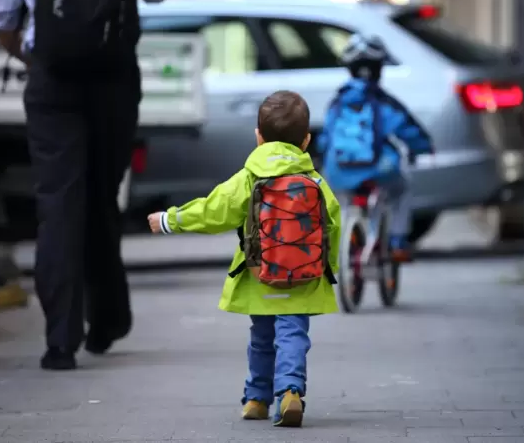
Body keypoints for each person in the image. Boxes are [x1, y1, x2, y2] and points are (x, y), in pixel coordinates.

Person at [0, 0, 171, 371]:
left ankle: (60, 341)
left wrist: (32, 58)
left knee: (59, 204)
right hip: (114, 82)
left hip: (53, 82)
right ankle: (106, 320)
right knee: (102, 198)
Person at [147, 91, 341, 428]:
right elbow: (332, 224)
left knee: (262, 338)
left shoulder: (248, 178)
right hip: (303, 276)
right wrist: (326, 269)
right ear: (306, 141)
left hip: (259, 275)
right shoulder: (316, 182)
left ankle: (256, 398)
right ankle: (291, 391)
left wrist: (169, 220)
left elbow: (213, 211)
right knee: (293, 335)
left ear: (258, 136)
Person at [317, 34, 433, 262]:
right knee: (401, 190)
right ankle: (398, 242)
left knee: (344, 198)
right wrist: (423, 149)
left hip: (338, 170)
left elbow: (325, 138)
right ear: (379, 68)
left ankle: (347, 242)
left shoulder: (337, 102)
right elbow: (407, 129)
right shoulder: (382, 101)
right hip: (378, 168)